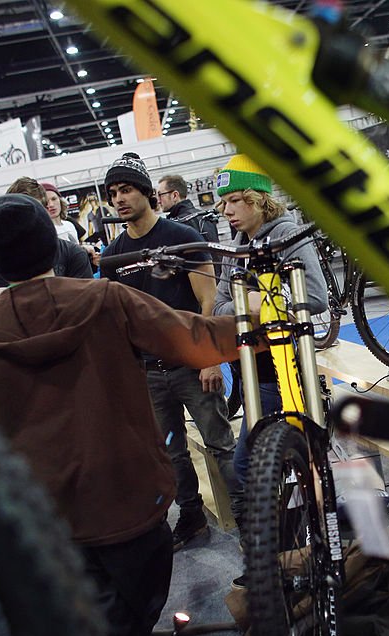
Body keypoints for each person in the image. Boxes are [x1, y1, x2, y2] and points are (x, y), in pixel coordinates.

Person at [0, 193, 242, 636]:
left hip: (45, 516)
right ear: (52, 246)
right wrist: (266, 325)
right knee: (124, 635)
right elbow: (196, 337)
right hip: (132, 499)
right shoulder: (105, 300)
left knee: (111, 635)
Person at [101, 152, 239, 549]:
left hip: (192, 364)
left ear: (147, 193)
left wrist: (210, 357)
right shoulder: (113, 256)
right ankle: (192, 518)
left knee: (220, 445)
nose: (119, 199)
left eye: (126, 189)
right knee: (170, 453)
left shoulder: (182, 237)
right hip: (148, 371)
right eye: (113, 193)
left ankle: (250, 519)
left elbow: (208, 298)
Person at [212, 156, 329, 503]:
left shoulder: (285, 234)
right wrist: (246, 305)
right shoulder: (236, 247)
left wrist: (262, 303)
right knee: (264, 463)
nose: (226, 210)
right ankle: (282, 539)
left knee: (253, 463)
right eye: (223, 202)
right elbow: (221, 307)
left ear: (258, 197)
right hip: (252, 370)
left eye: (234, 200)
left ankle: (287, 539)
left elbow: (315, 297)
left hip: (289, 368)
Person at [0, 178, 94, 294]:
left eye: (32, 212)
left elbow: (88, 303)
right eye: (18, 214)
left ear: (44, 211)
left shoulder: (72, 254)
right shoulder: (0, 265)